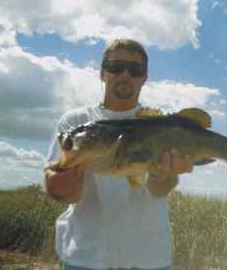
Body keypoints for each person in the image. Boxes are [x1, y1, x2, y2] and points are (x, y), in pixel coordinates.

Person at [44, 39, 193, 270]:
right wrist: (61, 179)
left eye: (135, 70)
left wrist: (165, 174)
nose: (125, 74)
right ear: (103, 73)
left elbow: (159, 190)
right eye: (116, 67)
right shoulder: (74, 123)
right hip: (85, 257)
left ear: (144, 78)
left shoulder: (159, 124)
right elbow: (63, 195)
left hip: (148, 259)